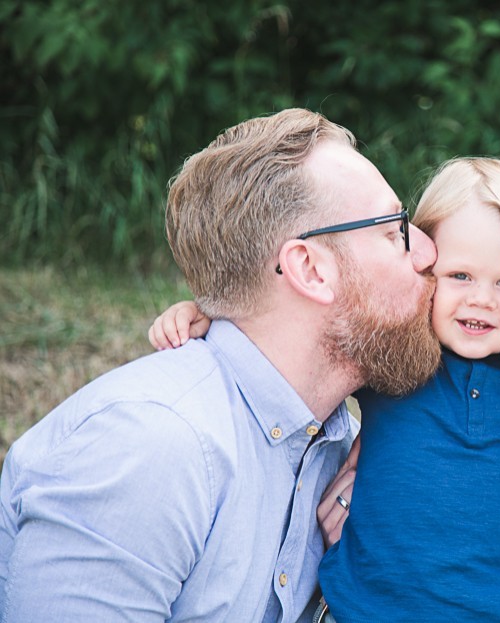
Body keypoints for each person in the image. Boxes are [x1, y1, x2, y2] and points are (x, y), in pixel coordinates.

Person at [0, 108, 441, 622]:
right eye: (394, 229)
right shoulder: (154, 446)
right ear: (309, 269)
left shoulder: (339, 450)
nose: (429, 251)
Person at [147, 157, 500, 622]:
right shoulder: (399, 351)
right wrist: (205, 313)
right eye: (460, 276)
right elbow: (291, 337)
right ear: (425, 267)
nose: (481, 299)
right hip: (364, 610)